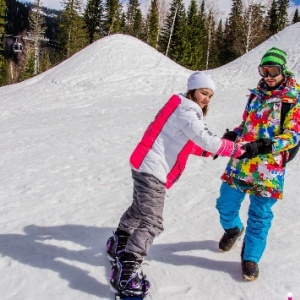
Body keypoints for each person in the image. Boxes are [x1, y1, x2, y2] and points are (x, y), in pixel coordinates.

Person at [106, 71, 246, 296]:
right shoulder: (187, 110)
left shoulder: (182, 108)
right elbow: (205, 139)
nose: (206, 98)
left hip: (145, 163)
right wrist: (238, 150)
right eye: (203, 92)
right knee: (152, 221)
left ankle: (119, 241)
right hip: (152, 168)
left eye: (210, 95)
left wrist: (212, 151)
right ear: (193, 90)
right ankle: (127, 271)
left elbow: (189, 143)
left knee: (140, 209)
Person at [215, 47, 300, 281]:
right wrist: (233, 134)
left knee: (260, 216)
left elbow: (293, 136)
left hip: (268, 169)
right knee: (225, 204)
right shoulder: (255, 95)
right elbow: (246, 125)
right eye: (264, 70)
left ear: (284, 70)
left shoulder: (293, 99)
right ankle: (233, 229)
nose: (269, 75)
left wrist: (262, 146)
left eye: (274, 70)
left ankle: (251, 258)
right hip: (241, 162)